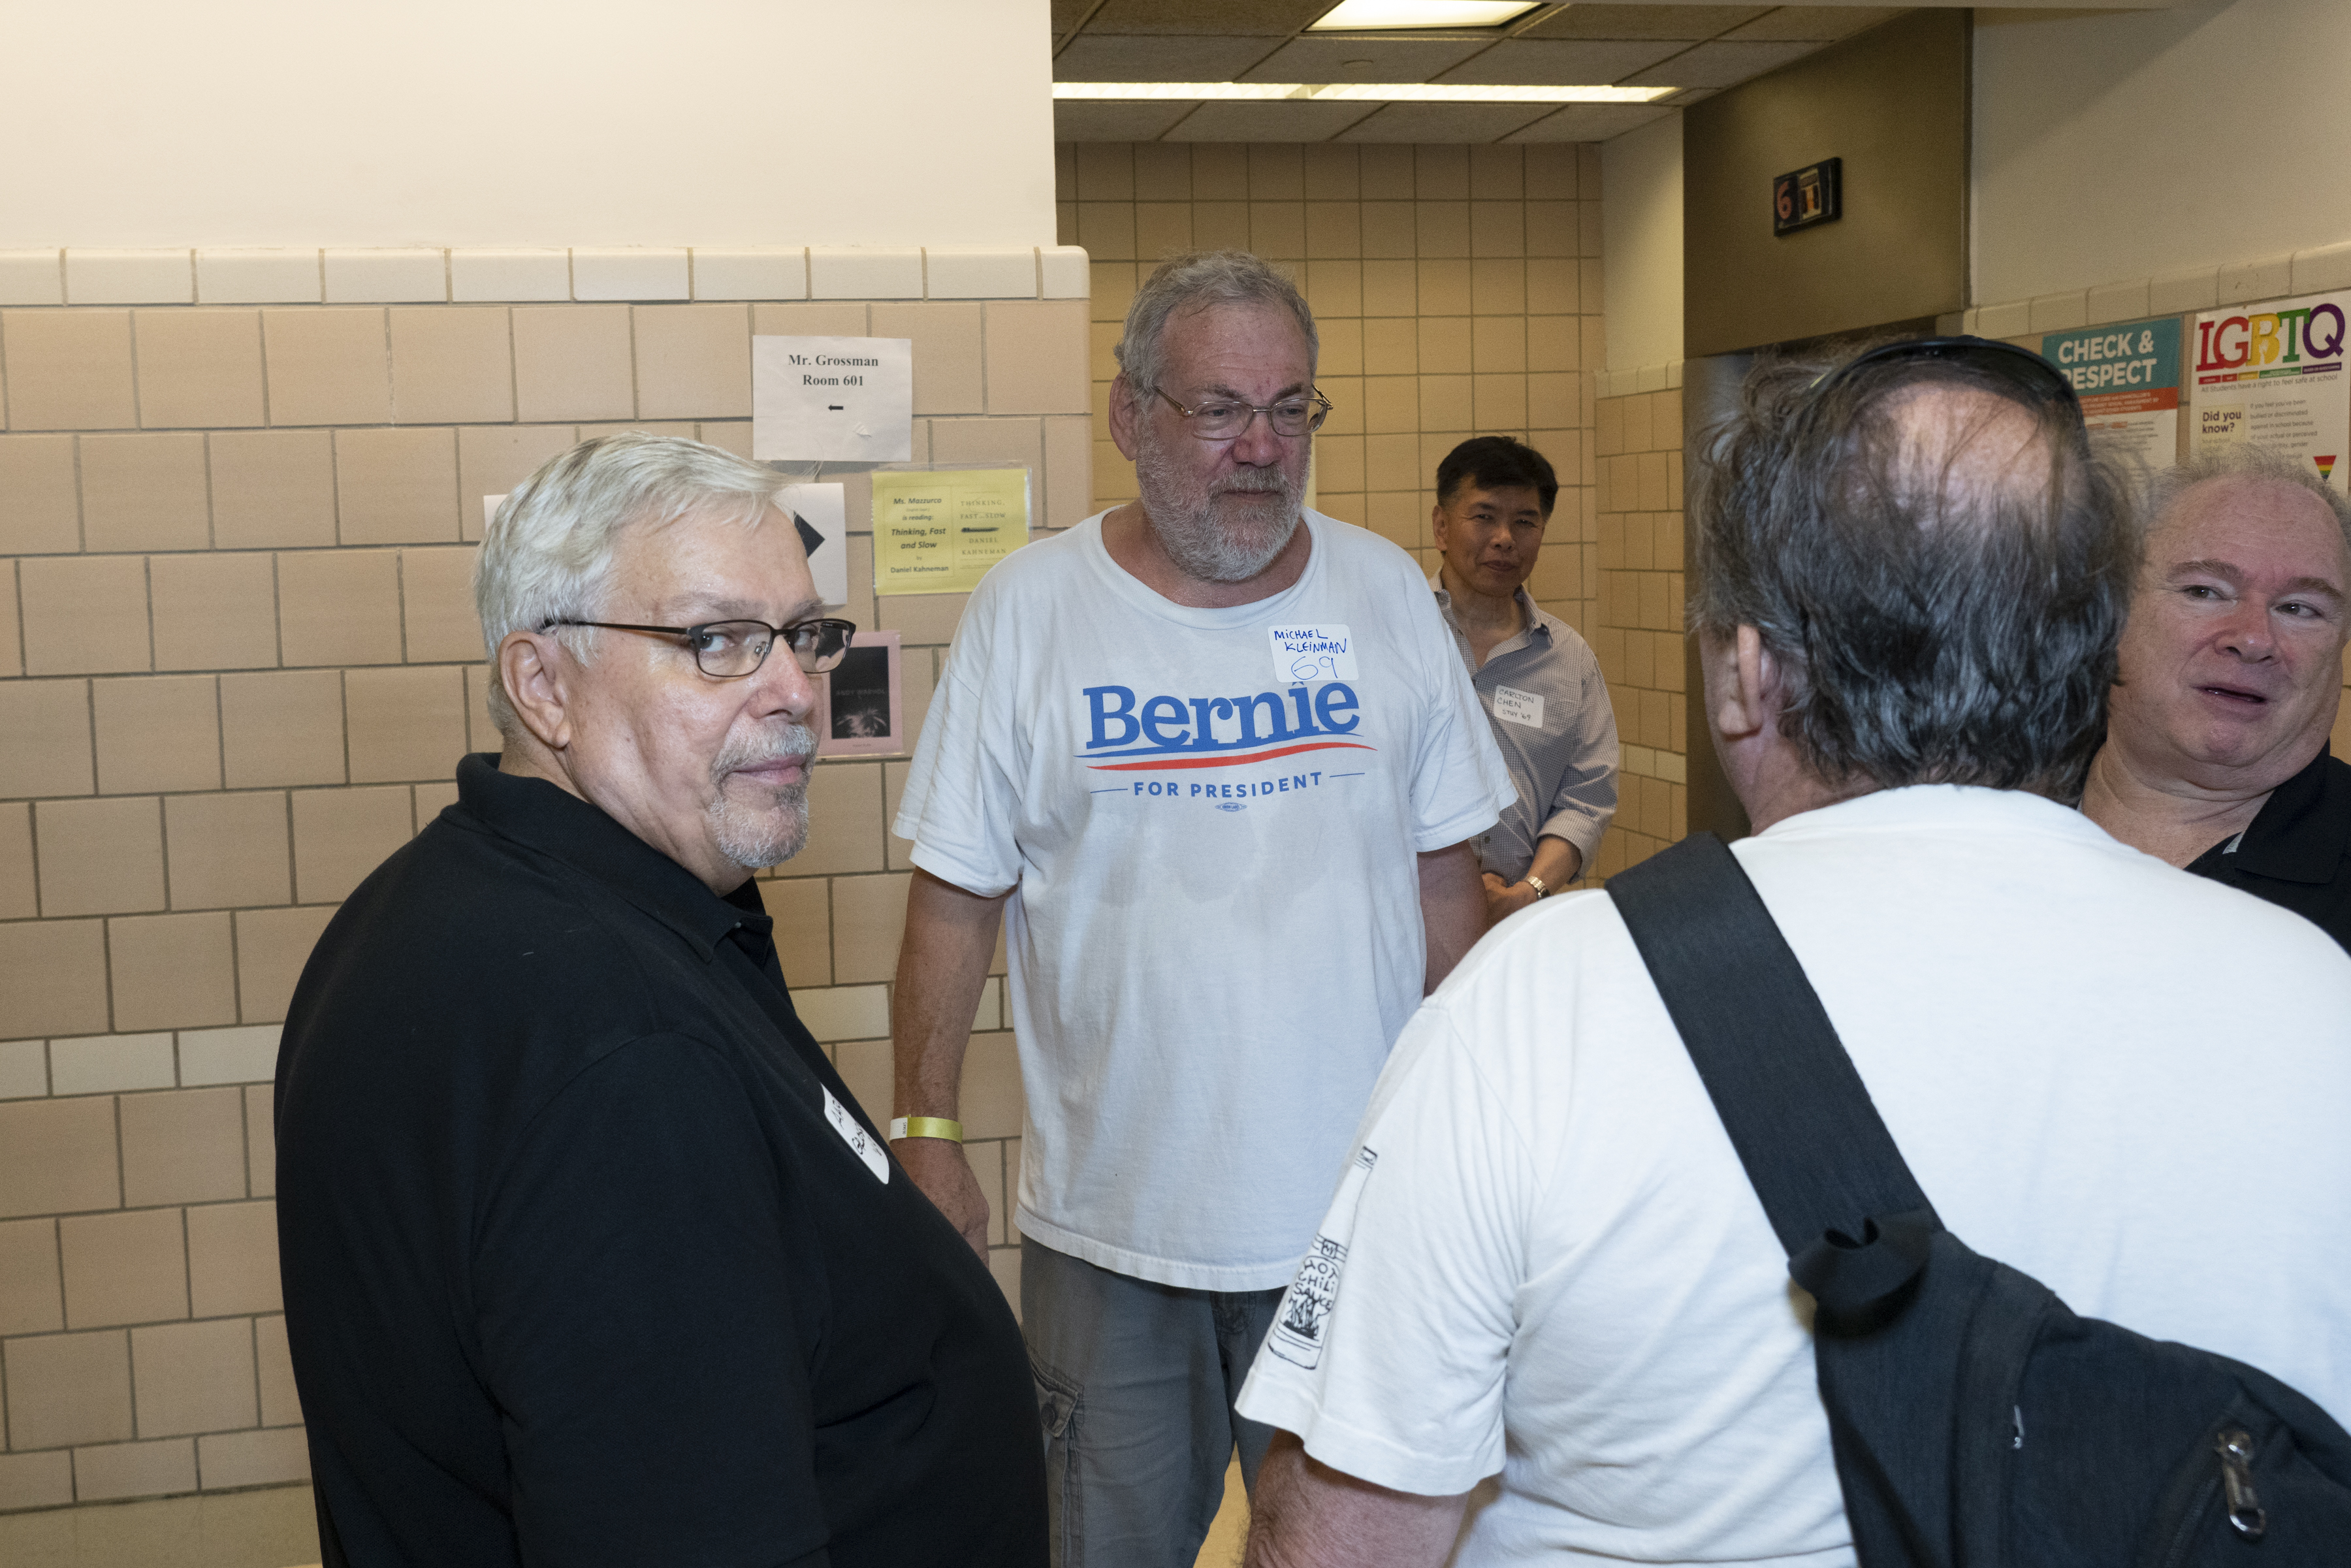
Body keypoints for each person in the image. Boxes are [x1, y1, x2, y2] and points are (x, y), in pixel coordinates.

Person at [1233, 340, 2351, 1566]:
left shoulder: (1551, 1001)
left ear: (1746, 675)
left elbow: (1349, 1532)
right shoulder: (2311, 997)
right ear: (2091, 657)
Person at [274, 434, 1045, 1568]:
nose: (797, 692)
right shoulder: (625, 1053)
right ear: (543, 687)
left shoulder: (433, 899)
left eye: (802, 635)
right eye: (715, 641)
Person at [889, 250, 1514, 1568]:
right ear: (1130, 416)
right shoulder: (1030, 610)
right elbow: (954, 897)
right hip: (1112, 1229)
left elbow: (1442, 879)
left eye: (1290, 409)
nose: (1262, 448)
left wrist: (1483, 1131)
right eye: (1221, 409)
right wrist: (928, 1130)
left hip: (1356, 1219)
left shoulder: (1385, 596)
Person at [2081, 443, 2351, 952]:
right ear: (2111, 609)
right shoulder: (1979, 804)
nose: (2253, 639)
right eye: (2204, 591)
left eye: (2299, 608)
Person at [1426, 435, 1617, 921]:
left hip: (1521, 919)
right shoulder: (1395, 635)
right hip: (1408, 917)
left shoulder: (1569, 658)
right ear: (1442, 526)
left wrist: (1527, 892)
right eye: (1484, 516)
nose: (1505, 538)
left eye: (1525, 522)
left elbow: (1586, 797)